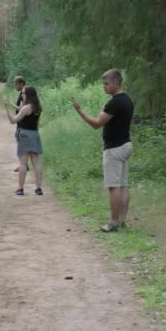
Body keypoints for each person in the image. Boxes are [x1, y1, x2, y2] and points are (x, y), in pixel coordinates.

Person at [71, 69, 134, 232]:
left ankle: (113, 223)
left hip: (114, 148)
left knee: (114, 187)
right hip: (126, 145)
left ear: (116, 83)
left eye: (106, 84)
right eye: (103, 84)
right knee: (123, 185)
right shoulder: (127, 100)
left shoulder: (114, 103)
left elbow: (96, 123)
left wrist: (79, 110)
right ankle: (121, 221)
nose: (104, 87)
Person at [4, 85, 44, 196]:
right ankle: (38, 188)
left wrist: (6, 108)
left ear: (28, 95)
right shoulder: (38, 107)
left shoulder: (26, 108)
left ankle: (21, 189)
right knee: (36, 162)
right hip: (35, 134)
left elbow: (13, 120)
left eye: (23, 93)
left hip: (25, 135)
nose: (22, 95)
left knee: (22, 163)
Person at [4, 76, 30, 173]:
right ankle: (24, 165)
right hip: (21, 123)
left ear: (21, 83)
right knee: (21, 144)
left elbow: (20, 108)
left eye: (16, 84)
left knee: (21, 145)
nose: (15, 86)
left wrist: (9, 103)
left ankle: (23, 165)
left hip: (22, 123)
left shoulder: (24, 93)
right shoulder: (23, 93)